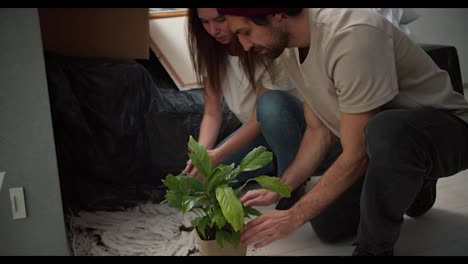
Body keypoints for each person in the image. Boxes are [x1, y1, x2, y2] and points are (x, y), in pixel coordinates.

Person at [217, 8, 468, 255]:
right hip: (378, 146)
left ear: (277, 14)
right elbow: (318, 131)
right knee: (328, 224)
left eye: (246, 32)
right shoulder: (288, 50)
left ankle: (374, 249)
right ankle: (414, 183)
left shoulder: (351, 34)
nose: (245, 45)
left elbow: (356, 153)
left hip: (446, 129)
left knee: (386, 129)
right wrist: (282, 186)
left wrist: (293, 215)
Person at [182, 8, 306, 206]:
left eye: (220, 20)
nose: (214, 30)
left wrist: (219, 153)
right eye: (205, 22)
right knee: (196, 184)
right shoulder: (209, 47)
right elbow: (212, 113)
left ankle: (290, 180)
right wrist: (202, 154)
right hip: (254, 135)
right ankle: (269, 165)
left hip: (287, 126)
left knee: (270, 105)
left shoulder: (267, 41)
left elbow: (260, 117)